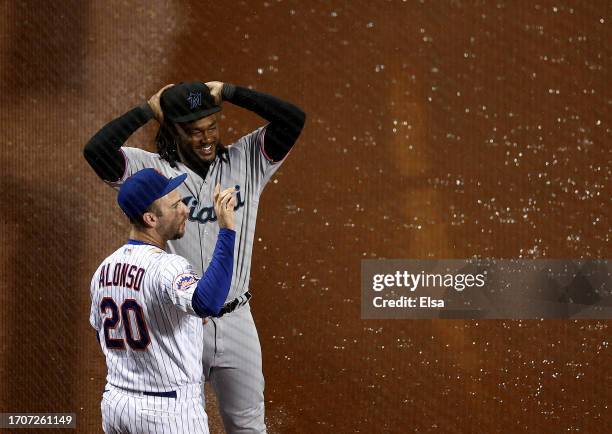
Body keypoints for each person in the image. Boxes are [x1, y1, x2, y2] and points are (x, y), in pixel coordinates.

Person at [84, 81, 305, 433]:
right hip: (178, 323)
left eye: (211, 127)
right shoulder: (151, 174)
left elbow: (293, 120)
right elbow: (96, 151)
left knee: (248, 425)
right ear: (171, 130)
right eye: (192, 130)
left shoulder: (246, 159)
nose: (205, 138)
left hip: (236, 319)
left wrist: (232, 92)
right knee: (178, 418)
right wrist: (147, 110)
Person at [90, 168, 237, 433]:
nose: (185, 210)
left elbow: (102, 328)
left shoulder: (104, 269)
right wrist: (226, 230)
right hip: (167, 414)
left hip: (117, 406)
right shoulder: (168, 266)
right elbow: (208, 303)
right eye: (175, 205)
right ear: (150, 218)